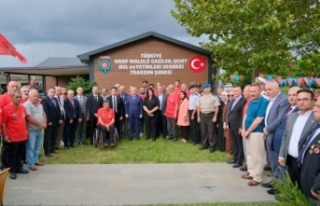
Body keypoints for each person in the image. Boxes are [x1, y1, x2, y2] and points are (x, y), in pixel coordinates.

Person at [264, 87, 300, 195]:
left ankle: (283, 189)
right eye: (290, 95)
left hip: (286, 146)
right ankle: (278, 184)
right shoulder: (289, 108)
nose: (292, 97)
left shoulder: (299, 111)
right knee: (279, 167)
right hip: (277, 141)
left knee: (284, 168)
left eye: (295, 95)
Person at [278, 89, 317, 186]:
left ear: (313, 101)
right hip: (291, 159)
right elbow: (285, 136)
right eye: (299, 99)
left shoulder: (316, 118)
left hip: (305, 161)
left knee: (305, 186)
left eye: (305, 99)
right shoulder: (292, 115)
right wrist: (282, 154)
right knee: (294, 184)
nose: (301, 102)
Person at [261, 81, 290, 190]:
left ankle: (280, 183)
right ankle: (275, 179)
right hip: (269, 133)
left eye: (269, 89)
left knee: (277, 159)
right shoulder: (271, 99)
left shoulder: (283, 100)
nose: (267, 92)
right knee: (272, 159)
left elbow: (280, 119)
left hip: (275, 133)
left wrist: (268, 129)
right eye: (266, 89)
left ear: (277, 88)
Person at [241, 84, 268, 186]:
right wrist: (244, 129)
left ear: (260, 91)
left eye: (254, 91)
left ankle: (257, 177)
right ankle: (251, 172)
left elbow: (259, 120)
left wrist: (248, 131)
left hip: (257, 132)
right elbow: (246, 116)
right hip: (248, 132)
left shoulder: (264, 102)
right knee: (250, 153)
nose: (252, 93)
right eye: (250, 91)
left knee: (257, 155)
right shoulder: (251, 102)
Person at [2, 90, 29, 179]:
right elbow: (3, 123)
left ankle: (18, 167)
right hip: (12, 137)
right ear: (12, 97)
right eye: (17, 97)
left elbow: (24, 119)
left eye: (20, 97)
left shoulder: (22, 107)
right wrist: (5, 136)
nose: (19, 99)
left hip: (22, 135)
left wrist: (26, 131)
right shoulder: (6, 109)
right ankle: (12, 170)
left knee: (20, 154)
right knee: (12, 155)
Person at [298, 97, 320, 205]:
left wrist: (317, 186)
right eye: (315, 105)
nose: (314, 109)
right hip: (308, 181)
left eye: (318, 107)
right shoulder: (316, 126)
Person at [23, 89, 46, 171]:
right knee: (30, 147)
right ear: (29, 96)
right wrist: (39, 124)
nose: (36, 97)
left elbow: (43, 114)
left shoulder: (39, 104)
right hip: (32, 129)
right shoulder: (26, 105)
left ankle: (36, 160)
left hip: (39, 130)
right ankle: (30, 163)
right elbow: (28, 117)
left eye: (37, 96)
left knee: (37, 147)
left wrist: (45, 122)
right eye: (34, 96)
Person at [226, 86, 247, 168]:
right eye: (234, 91)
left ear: (241, 91)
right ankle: (235, 158)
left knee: (239, 144)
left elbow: (243, 115)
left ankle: (239, 161)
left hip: (238, 126)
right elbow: (229, 112)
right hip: (231, 125)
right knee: (234, 143)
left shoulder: (243, 101)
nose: (235, 92)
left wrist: (241, 126)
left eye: (237, 91)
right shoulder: (232, 101)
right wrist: (227, 122)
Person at [0, 81, 19, 169]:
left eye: (16, 86)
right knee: (6, 147)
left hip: (16, 128)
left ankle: (14, 164)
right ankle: (5, 164)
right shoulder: (3, 98)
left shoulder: (18, 97)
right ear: (7, 87)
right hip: (6, 127)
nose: (15, 88)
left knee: (15, 149)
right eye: (12, 86)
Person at [197, 83, 220, 153]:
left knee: (211, 132)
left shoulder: (214, 97)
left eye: (207, 88)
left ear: (210, 88)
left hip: (211, 116)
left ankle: (212, 146)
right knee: (204, 131)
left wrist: (215, 116)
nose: (206, 89)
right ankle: (204, 145)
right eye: (205, 88)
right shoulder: (200, 97)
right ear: (203, 89)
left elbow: (217, 107)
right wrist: (198, 116)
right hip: (203, 115)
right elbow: (198, 107)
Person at [42, 87, 62, 157]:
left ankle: (52, 149)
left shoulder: (56, 99)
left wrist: (59, 118)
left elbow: (58, 110)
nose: (53, 93)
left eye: (54, 92)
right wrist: (48, 121)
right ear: (48, 92)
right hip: (49, 122)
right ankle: (46, 151)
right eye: (52, 92)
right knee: (48, 137)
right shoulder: (45, 100)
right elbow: (45, 111)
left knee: (54, 136)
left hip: (56, 121)